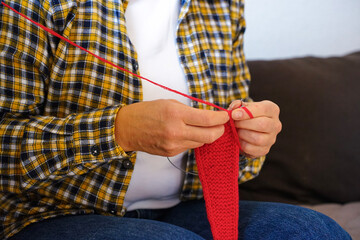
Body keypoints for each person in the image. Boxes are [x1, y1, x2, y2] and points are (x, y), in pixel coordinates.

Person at [0, 0, 351, 239]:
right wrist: (118, 131)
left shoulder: (221, 6)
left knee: (312, 231)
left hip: (189, 205)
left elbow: (238, 152)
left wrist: (250, 139)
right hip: (49, 212)